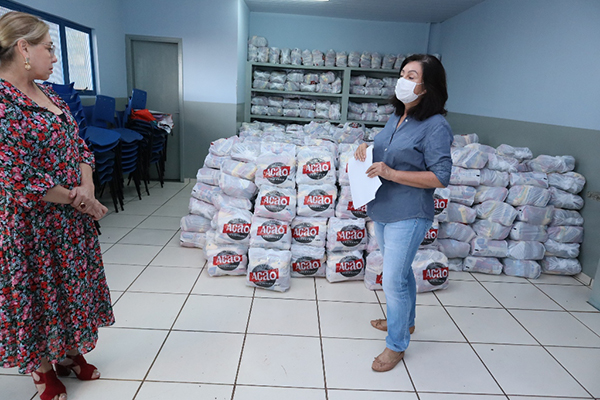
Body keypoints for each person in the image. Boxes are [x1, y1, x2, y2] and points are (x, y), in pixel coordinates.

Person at [0, 11, 114, 400]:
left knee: (69, 287)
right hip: (30, 224)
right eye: (49, 48)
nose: (54, 56)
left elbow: (79, 145)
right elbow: (16, 175)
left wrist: (87, 186)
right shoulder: (4, 103)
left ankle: (68, 351)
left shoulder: (49, 94)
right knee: (39, 292)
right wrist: (79, 199)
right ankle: (42, 368)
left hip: (69, 220)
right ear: (23, 48)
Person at [355, 54, 453, 372]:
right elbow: (388, 151)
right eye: (402, 74)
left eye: (411, 76)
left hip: (409, 213)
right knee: (401, 272)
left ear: (427, 86)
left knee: (393, 280)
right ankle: (406, 321)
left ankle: (396, 345)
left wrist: (392, 173)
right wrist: (366, 148)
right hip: (385, 207)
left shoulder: (436, 126)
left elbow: (440, 176)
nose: (403, 81)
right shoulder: (398, 117)